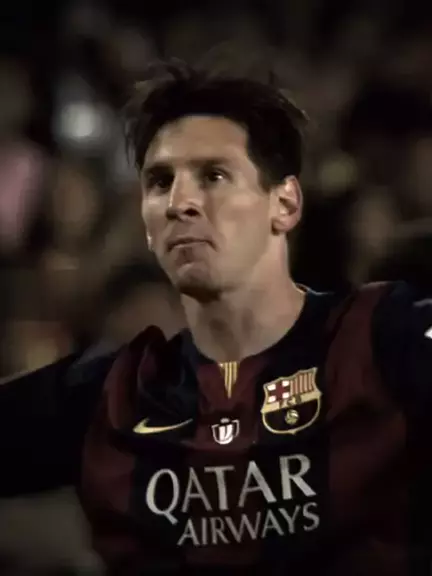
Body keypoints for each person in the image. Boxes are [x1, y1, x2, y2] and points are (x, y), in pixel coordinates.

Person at [0, 59, 431, 576]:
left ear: (285, 203)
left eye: (214, 176)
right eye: (160, 181)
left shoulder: (384, 337)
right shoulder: (113, 394)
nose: (180, 203)